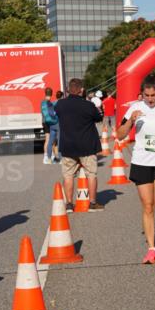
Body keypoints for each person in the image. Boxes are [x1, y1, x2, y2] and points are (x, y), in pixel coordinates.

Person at [116, 75, 155, 264]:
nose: (150, 99)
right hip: (141, 161)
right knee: (148, 206)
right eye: (146, 95)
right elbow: (119, 135)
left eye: (153, 95)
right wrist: (130, 121)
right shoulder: (135, 107)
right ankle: (151, 249)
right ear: (142, 94)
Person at [54, 78, 104, 213]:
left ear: (68, 90)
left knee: (68, 175)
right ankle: (93, 203)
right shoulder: (88, 105)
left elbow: (57, 115)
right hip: (87, 145)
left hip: (68, 146)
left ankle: (69, 204)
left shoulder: (60, 105)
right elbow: (99, 118)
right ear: (81, 90)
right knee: (91, 174)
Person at [41, 87, 60, 164]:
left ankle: (49, 156)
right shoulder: (49, 102)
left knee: (50, 140)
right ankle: (47, 157)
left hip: (45, 122)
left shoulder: (43, 102)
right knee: (49, 140)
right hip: (50, 122)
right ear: (51, 94)